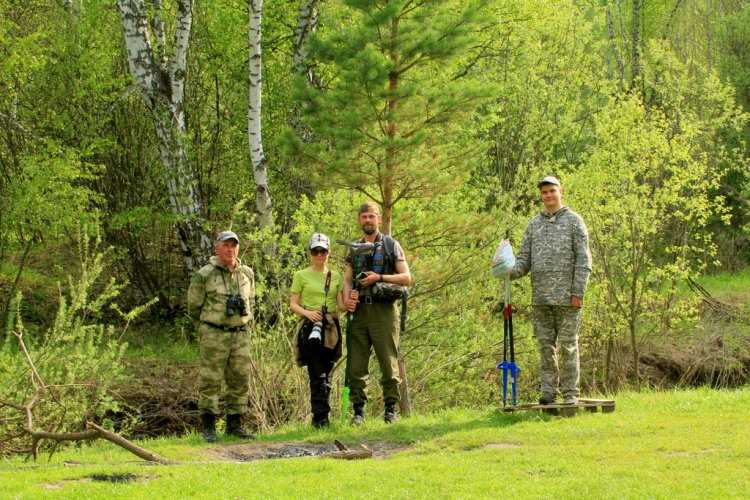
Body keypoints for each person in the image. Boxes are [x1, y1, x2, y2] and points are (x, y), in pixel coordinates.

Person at [507, 176, 592, 405]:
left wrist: (578, 293)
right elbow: (523, 260)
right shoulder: (534, 225)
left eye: (552, 191)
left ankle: (570, 394)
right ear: (541, 196)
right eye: (544, 192)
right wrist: (508, 271)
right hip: (541, 298)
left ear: (560, 191)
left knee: (568, 346)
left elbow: (584, 261)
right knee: (545, 347)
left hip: (568, 299)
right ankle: (548, 392)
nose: (548, 196)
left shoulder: (575, 222)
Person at [343, 202, 412, 424]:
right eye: (364, 217)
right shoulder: (354, 247)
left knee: (388, 362)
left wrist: (379, 278)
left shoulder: (391, 245)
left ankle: (390, 410)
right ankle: (358, 413)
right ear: (359, 220)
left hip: (384, 310)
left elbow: (406, 278)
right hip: (360, 311)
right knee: (355, 365)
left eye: (371, 217)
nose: (367, 221)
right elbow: (346, 279)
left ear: (379, 219)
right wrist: (347, 300)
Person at [187, 230, 255, 442]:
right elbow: (193, 307)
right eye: (226, 245)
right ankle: (208, 427)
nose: (230, 249)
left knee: (240, 379)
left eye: (233, 245)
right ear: (217, 247)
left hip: (240, 334)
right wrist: (207, 327)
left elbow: (250, 300)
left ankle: (235, 426)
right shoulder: (205, 274)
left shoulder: (246, 274)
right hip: (214, 333)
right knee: (211, 380)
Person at [289, 233, 345, 428]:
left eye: (323, 251)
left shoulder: (336, 276)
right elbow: (293, 304)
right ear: (310, 253)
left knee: (328, 372)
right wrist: (308, 313)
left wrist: (351, 298)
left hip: (331, 327)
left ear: (329, 252)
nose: (320, 254)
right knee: (316, 372)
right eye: (316, 251)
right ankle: (319, 417)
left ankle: (323, 419)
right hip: (310, 326)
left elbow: (341, 305)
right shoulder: (301, 275)